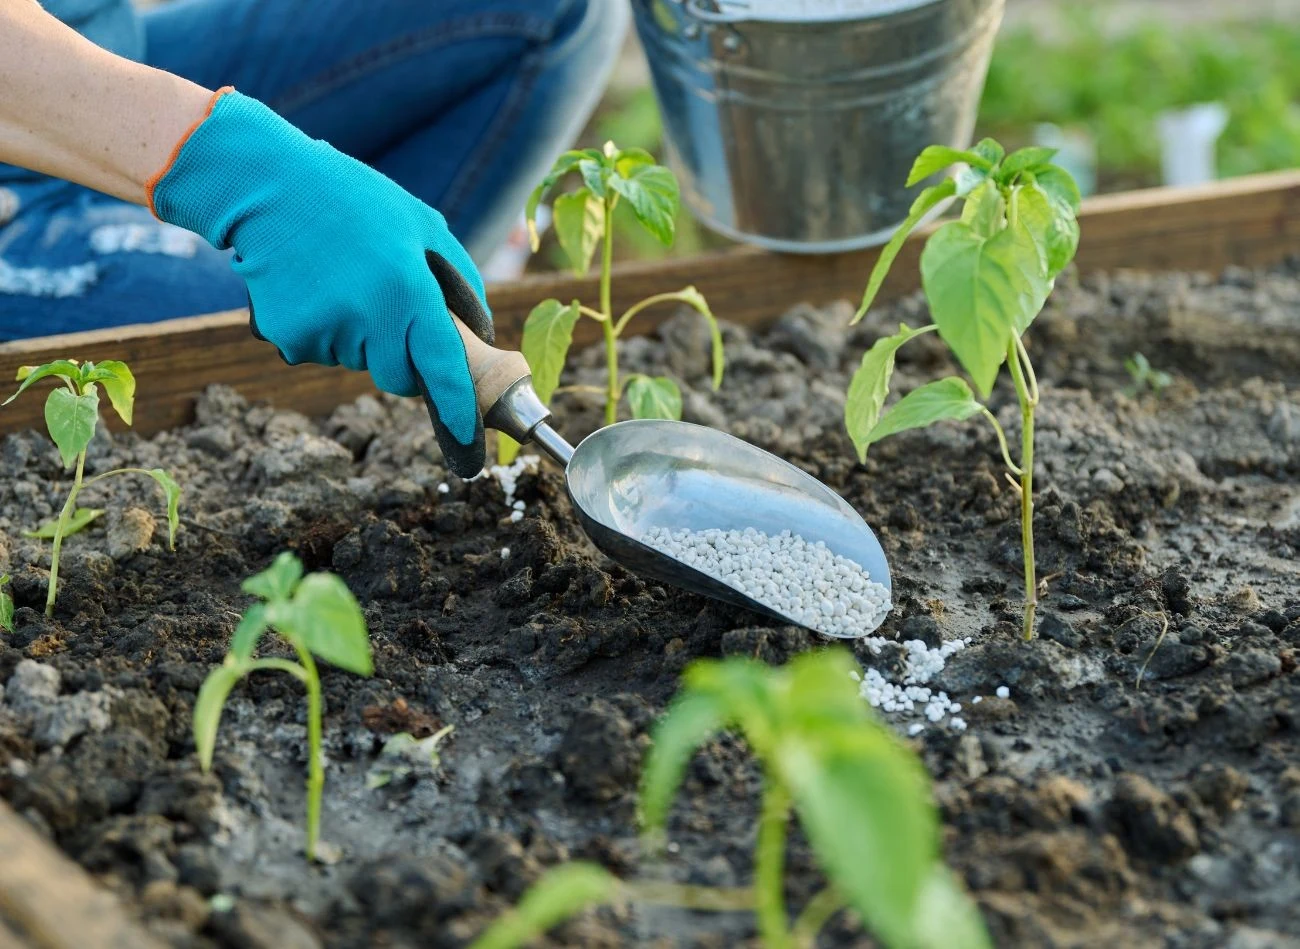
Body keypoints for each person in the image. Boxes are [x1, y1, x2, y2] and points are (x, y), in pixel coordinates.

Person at [0, 0, 629, 476]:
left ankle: (397, 285)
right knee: (288, 317)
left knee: (559, 11)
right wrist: (238, 166)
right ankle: (379, 320)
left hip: (84, 50)